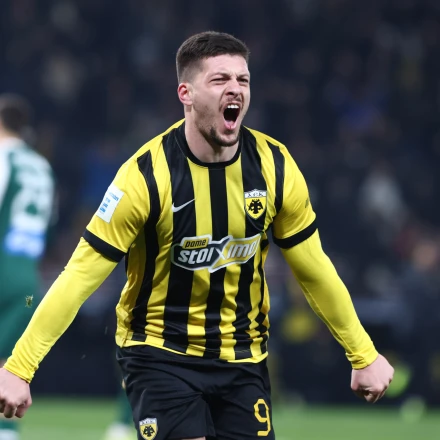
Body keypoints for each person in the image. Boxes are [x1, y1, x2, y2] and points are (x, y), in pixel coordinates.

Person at [0, 32, 394, 440]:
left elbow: (313, 269)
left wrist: (363, 353)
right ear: (185, 93)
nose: (235, 89)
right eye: (220, 79)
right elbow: (79, 276)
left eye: (243, 79)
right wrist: (20, 367)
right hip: (159, 353)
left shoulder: (275, 167)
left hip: (243, 356)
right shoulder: (143, 177)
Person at [0, 95, 55, 440]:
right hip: (28, 281)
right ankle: (6, 428)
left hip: (1, 268)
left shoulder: (3, 157)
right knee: (8, 358)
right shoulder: (41, 166)